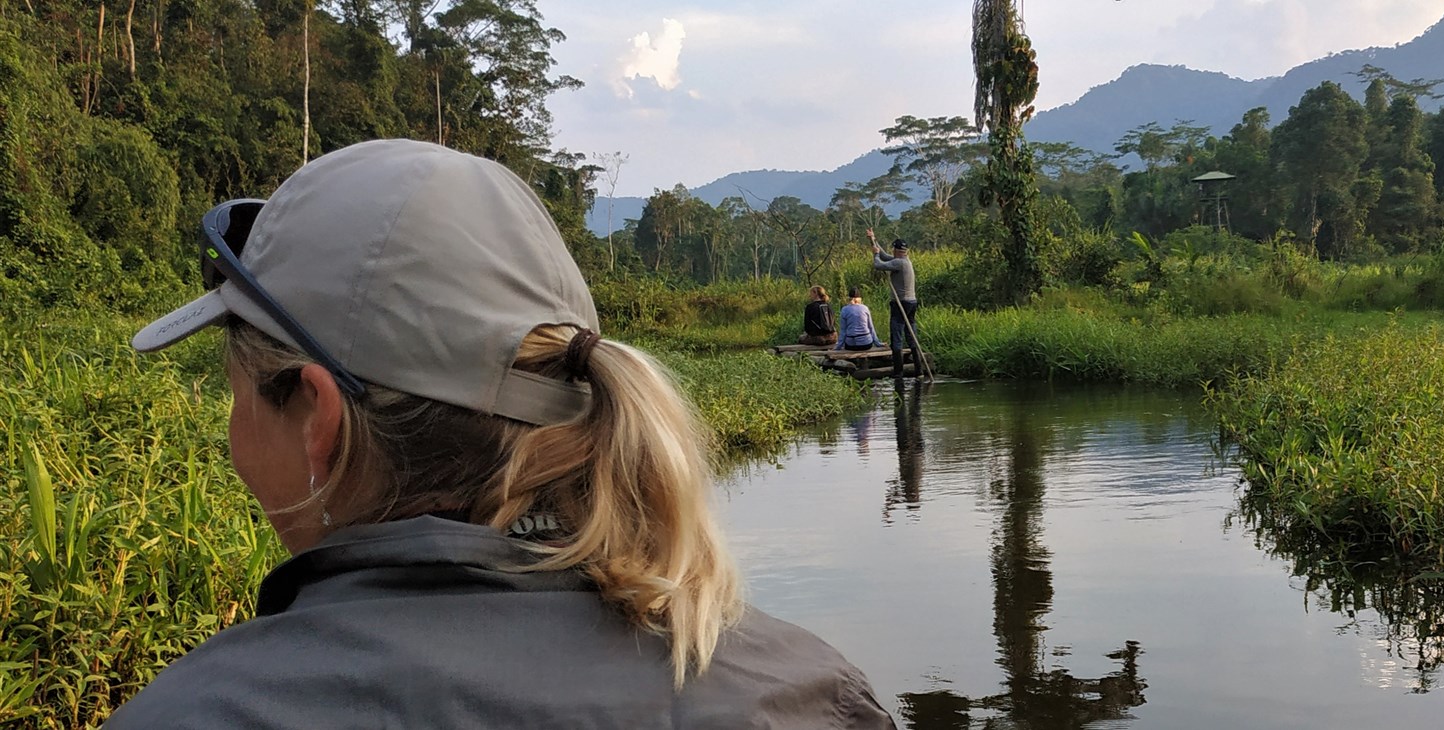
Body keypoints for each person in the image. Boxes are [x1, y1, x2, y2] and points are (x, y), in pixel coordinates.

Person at [109, 140, 896, 729]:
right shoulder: (813, 691)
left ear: (318, 417)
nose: (231, 424)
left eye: (235, 390)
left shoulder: (193, 713)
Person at [867, 229, 919, 377]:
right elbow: (884, 256)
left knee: (896, 336)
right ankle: (918, 370)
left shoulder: (899, 263)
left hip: (900, 303)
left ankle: (898, 373)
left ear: (896, 250)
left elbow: (878, 264)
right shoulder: (905, 261)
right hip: (912, 302)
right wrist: (873, 239)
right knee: (911, 334)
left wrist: (875, 254)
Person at [836, 286, 880, 352]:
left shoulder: (844, 309)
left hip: (851, 345)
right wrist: (877, 343)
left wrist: (838, 347)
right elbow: (871, 327)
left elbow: (843, 331)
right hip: (866, 344)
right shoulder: (865, 308)